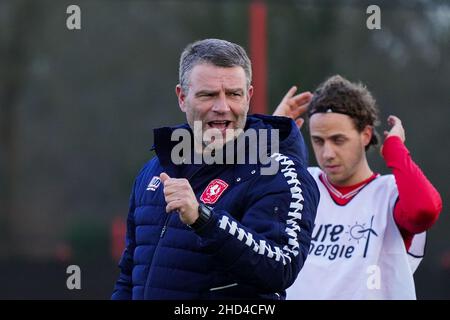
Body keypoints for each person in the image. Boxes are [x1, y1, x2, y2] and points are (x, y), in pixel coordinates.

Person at [111, 39, 320, 300]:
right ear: (182, 97)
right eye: (208, 95)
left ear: (248, 97)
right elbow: (130, 274)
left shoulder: (277, 171)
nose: (222, 107)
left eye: (234, 94)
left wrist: (203, 219)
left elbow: (280, 268)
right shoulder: (154, 170)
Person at [273, 75, 442, 299]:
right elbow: (238, 194)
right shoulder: (301, 184)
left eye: (338, 140)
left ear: (366, 134)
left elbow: (424, 210)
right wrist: (270, 133)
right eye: (318, 140)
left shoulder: (390, 194)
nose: (327, 153)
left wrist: (395, 149)